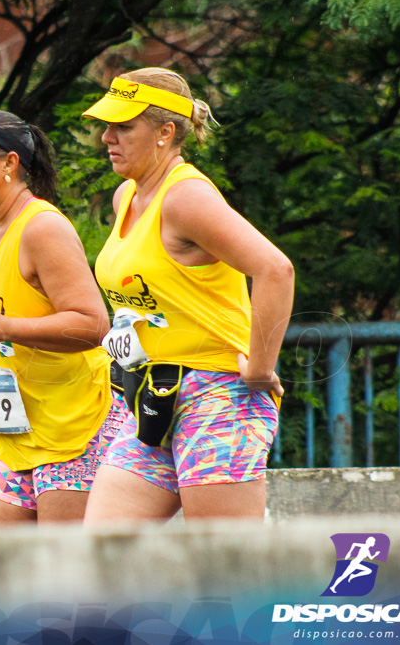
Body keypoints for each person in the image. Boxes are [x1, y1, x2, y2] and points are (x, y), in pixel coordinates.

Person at [81, 68, 295, 522]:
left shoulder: (185, 198)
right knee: (102, 555)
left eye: (123, 126)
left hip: (217, 396)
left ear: (165, 132)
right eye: (107, 125)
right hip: (151, 396)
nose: (106, 137)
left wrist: (259, 368)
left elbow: (275, 269)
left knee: (224, 569)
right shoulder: (126, 196)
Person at [0, 110, 115, 527]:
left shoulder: (42, 227)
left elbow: (93, 325)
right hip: (17, 438)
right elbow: (14, 316)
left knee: (65, 580)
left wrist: (4, 329)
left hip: (74, 432)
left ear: (10, 163)